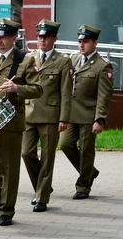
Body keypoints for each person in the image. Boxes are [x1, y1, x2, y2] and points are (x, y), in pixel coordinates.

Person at [0, 19, 42, 226]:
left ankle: (7, 209)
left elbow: (38, 89)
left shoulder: (25, 60)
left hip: (11, 119)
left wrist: (18, 89)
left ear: (14, 38)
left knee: (9, 166)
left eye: (3, 37)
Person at [22, 19, 72, 212]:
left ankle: (42, 198)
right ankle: (42, 187)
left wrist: (64, 118)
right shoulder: (29, 58)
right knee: (26, 153)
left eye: (46, 37)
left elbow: (66, 92)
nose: (42, 40)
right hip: (29, 112)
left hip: (51, 115)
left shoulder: (62, 61)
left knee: (48, 157)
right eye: (40, 36)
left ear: (54, 39)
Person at [60, 24, 113, 200]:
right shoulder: (73, 59)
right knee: (66, 144)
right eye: (80, 41)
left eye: (86, 42)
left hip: (88, 116)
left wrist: (100, 119)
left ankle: (83, 186)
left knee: (86, 151)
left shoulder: (102, 66)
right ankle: (90, 171)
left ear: (95, 43)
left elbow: (104, 96)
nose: (81, 45)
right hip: (70, 114)